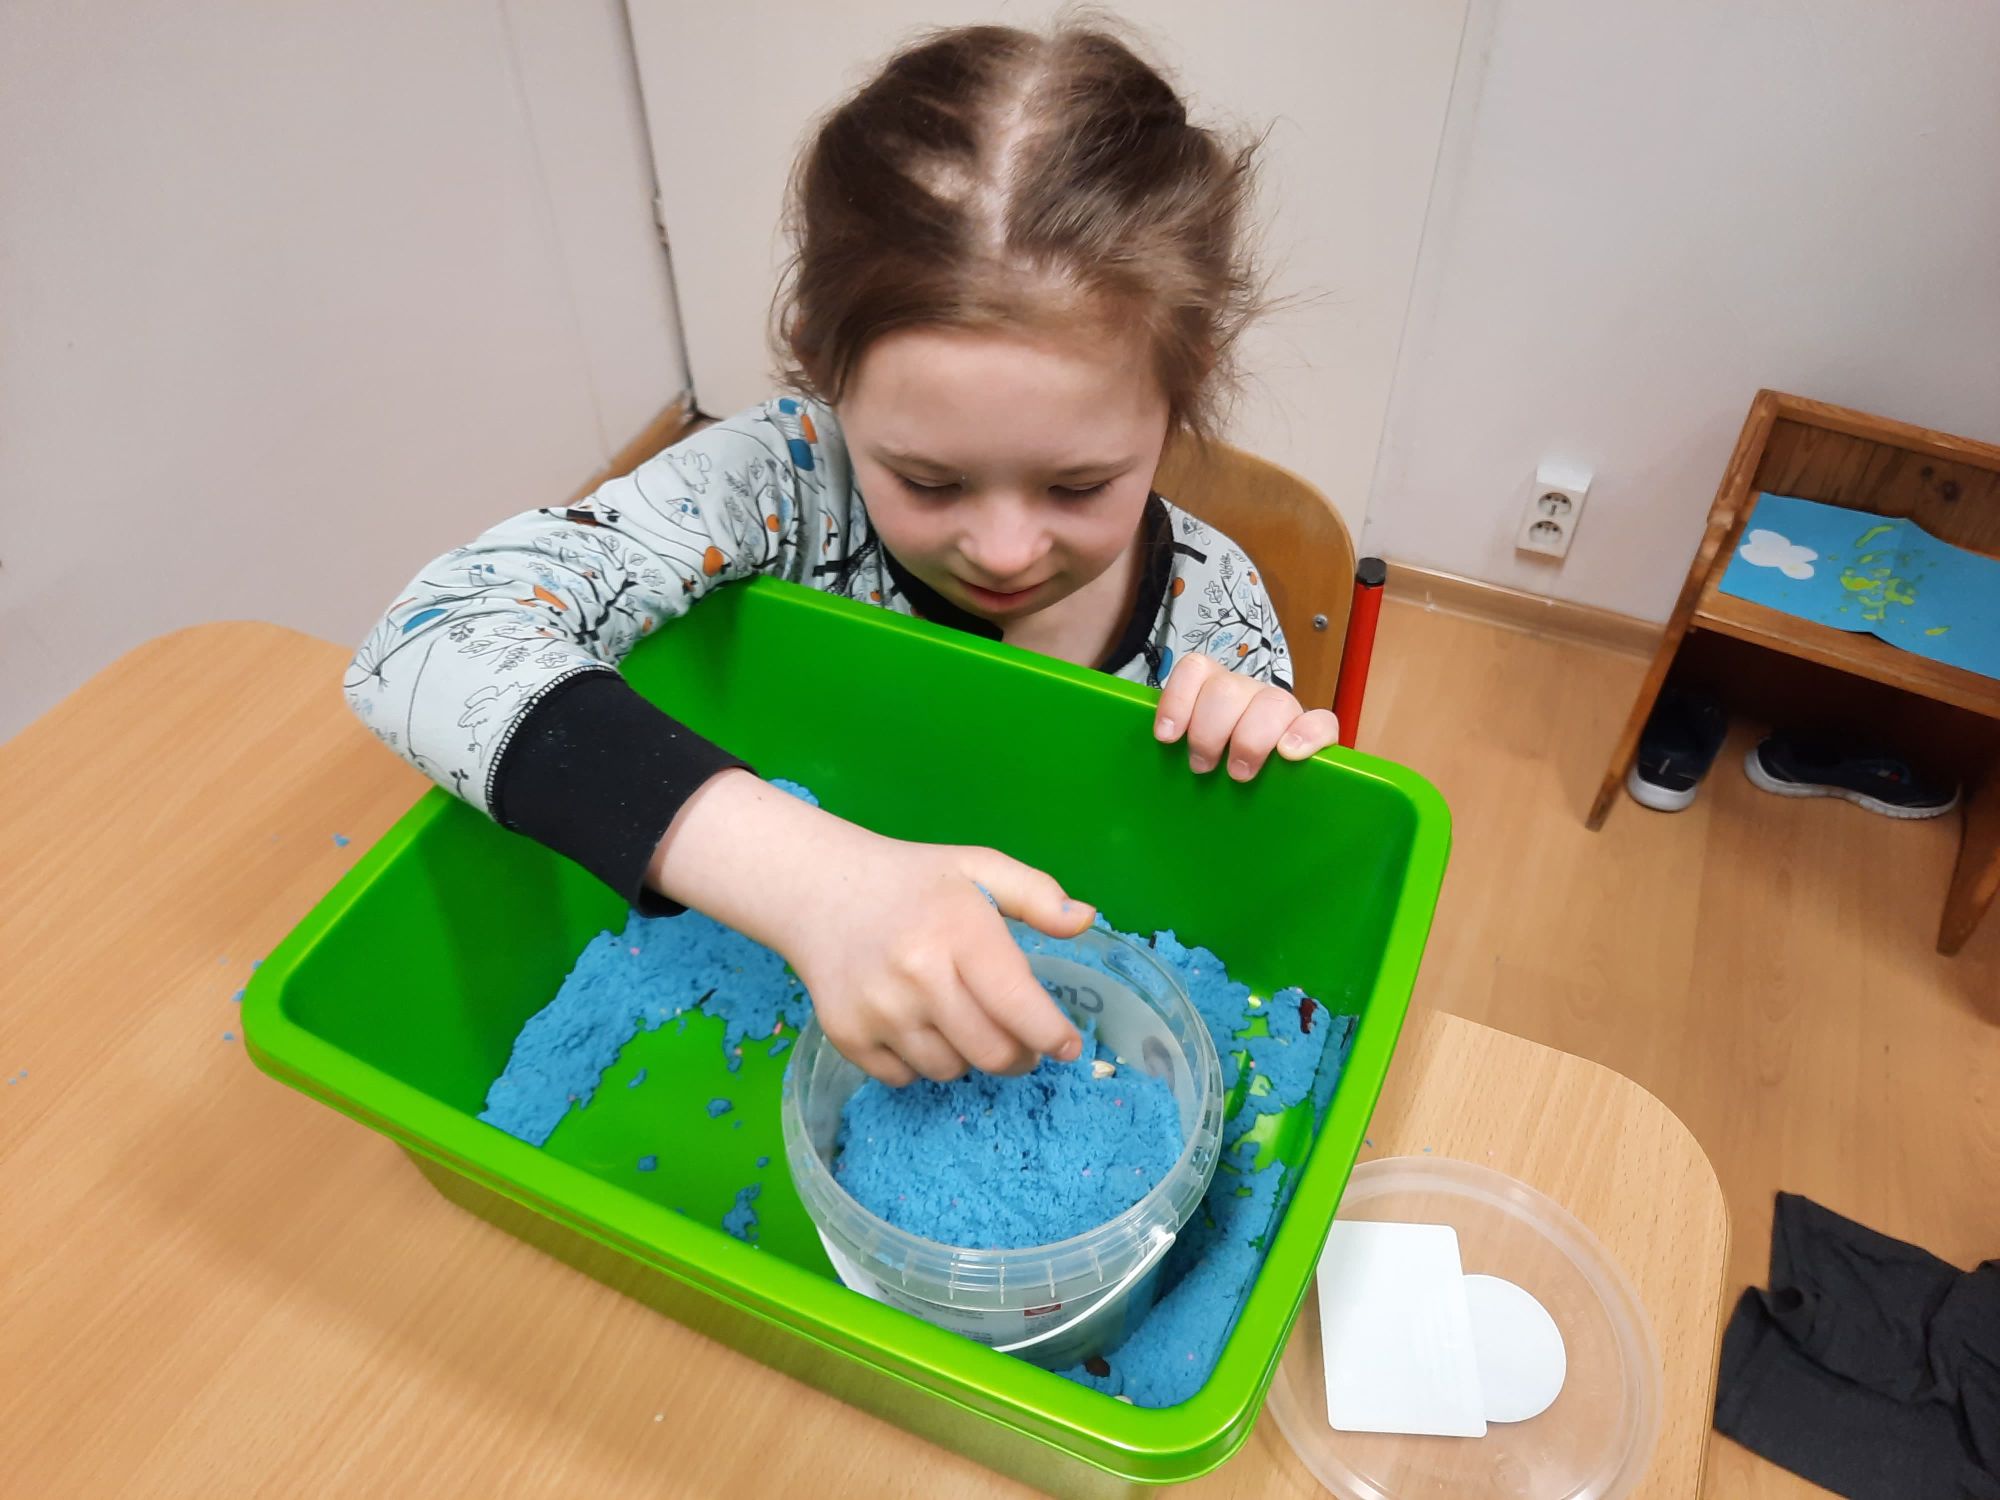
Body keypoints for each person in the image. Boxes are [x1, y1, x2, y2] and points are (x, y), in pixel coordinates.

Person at [346, 20, 1337, 1089]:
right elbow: (423, 643)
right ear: (824, 362)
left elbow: (1250, 899)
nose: (1004, 550)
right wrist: (811, 883)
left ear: (1183, 387)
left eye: (1077, 487)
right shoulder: (779, 491)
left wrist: (1252, 731)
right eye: (929, 480)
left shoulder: (1211, 604)